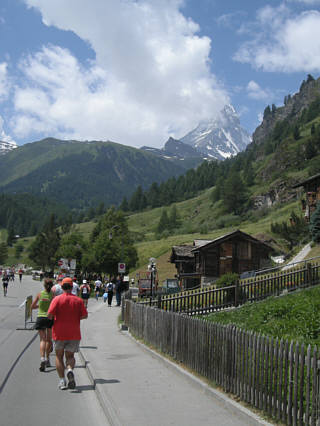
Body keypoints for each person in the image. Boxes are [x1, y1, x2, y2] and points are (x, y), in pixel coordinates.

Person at [47, 277, 88, 390]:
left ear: (62, 287)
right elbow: (85, 315)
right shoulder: (78, 301)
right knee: (70, 356)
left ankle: (62, 381)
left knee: (59, 357)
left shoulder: (56, 299)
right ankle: (69, 369)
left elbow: (49, 315)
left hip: (59, 333)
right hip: (74, 332)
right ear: (72, 287)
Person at [31, 278, 54, 371]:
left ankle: (42, 358)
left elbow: (32, 306)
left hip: (40, 318)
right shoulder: (53, 295)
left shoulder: (40, 294)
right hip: (49, 318)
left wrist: (39, 306)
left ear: (44, 285)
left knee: (42, 340)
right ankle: (48, 359)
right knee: (49, 339)